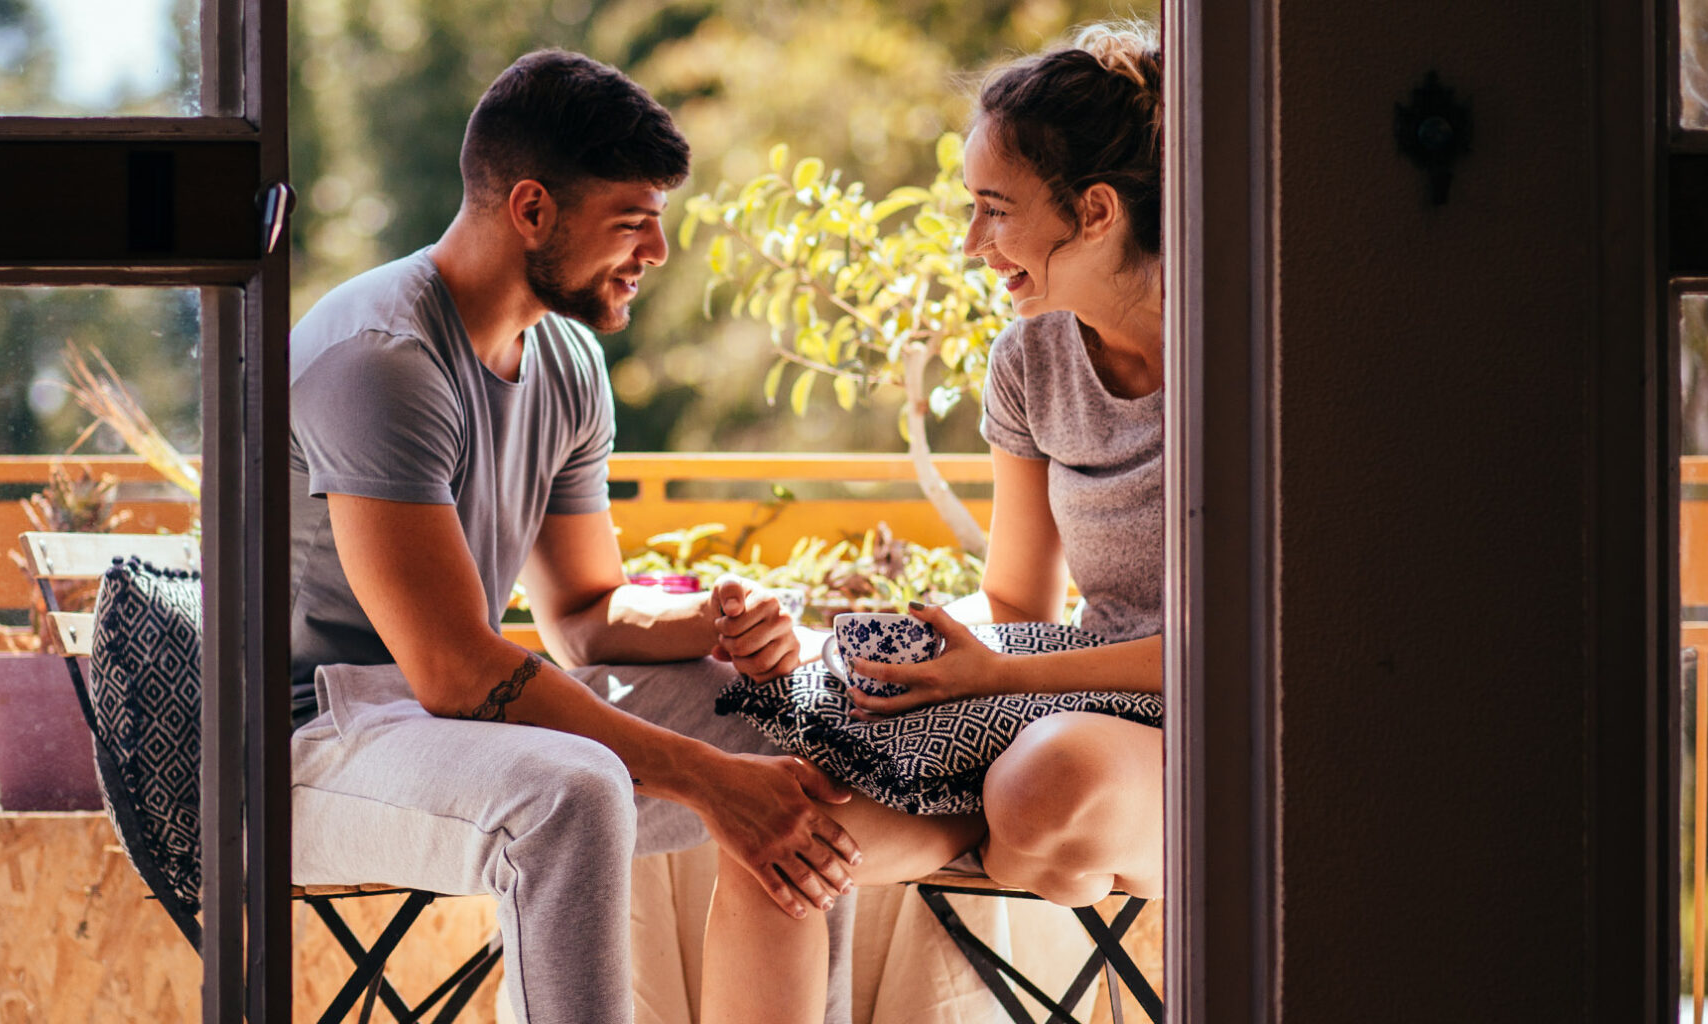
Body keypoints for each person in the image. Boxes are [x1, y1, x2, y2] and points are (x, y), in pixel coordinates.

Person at [286, 50, 863, 1024]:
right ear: (532, 211)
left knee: (803, 731)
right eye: (633, 221)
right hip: (310, 740)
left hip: (439, 727)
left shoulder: (566, 361)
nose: (659, 251)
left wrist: (719, 622)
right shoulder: (380, 359)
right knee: (575, 792)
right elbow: (457, 672)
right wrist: (712, 783)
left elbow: (586, 615)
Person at [699, 23, 1167, 1024]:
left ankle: (1030, 836)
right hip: (1057, 712)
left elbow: (1251, 649)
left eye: (995, 212)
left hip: (1196, 735)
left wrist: (1001, 678)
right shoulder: (1031, 363)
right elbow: (1016, 602)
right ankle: (1017, 835)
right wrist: (908, 658)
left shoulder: (1245, 354)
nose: (971, 243)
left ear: (1094, 212)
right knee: (781, 825)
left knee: (1047, 781)